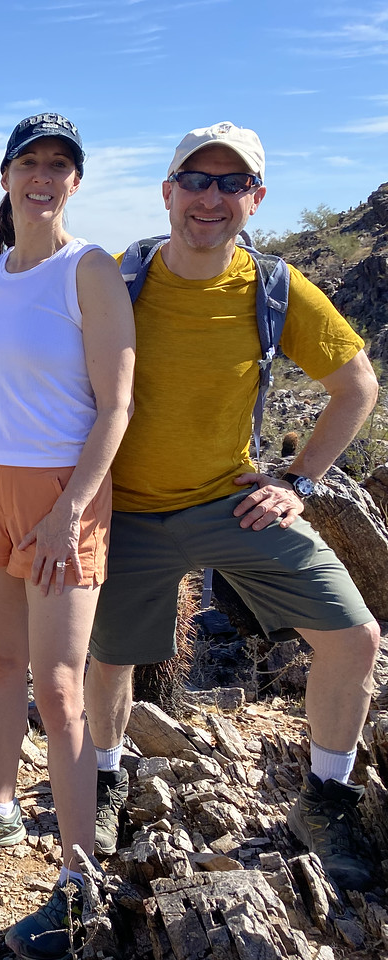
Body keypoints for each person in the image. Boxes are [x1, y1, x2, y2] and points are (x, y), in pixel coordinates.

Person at [77, 122, 381, 891]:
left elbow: (357, 388)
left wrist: (299, 481)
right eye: (197, 180)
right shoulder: (120, 277)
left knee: (354, 639)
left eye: (231, 184)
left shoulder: (274, 287)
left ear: (256, 199)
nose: (211, 198)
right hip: (132, 509)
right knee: (109, 657)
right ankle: (106, 780)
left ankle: (324, 797)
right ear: (169, 190)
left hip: (234, 503)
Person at [0, 113, 135, 960]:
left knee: (59, 685)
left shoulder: (88, 271)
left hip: (61, 495)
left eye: (60, 165)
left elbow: (116, 405)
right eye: (30, 163)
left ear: (75, 181)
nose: (43, 177)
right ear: (6, 176)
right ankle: (2, 809)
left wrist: (71, 507)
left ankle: (79, 882)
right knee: (2, 662)